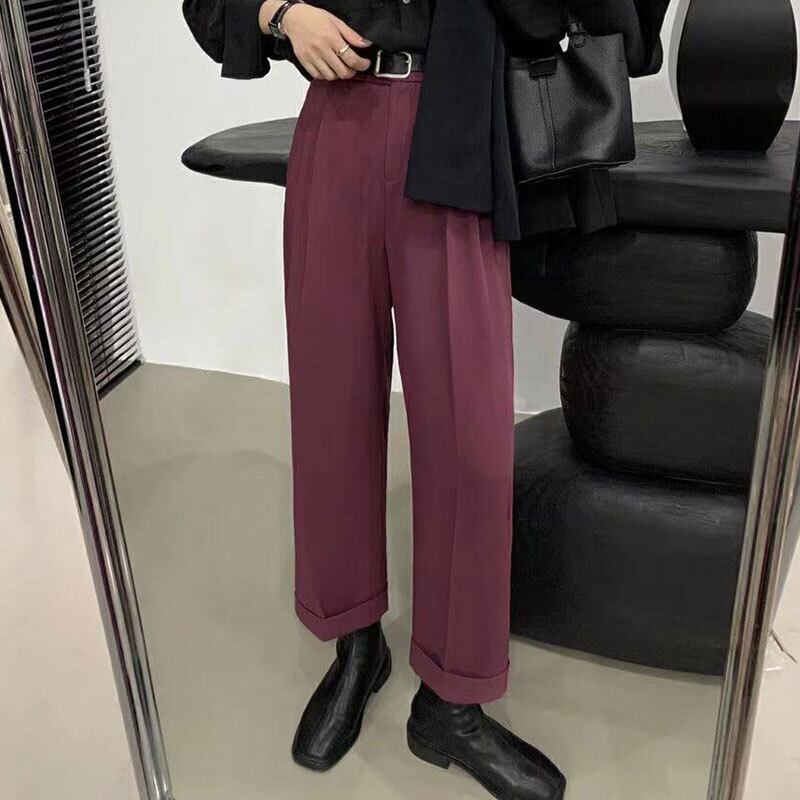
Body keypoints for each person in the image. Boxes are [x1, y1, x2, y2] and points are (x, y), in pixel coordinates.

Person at [182, 2, 668, 798]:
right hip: (335, 126)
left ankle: (453, 699)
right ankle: (354, 642)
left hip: (456, 127)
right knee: (331, 414)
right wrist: (280, 14)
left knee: (471, 441)